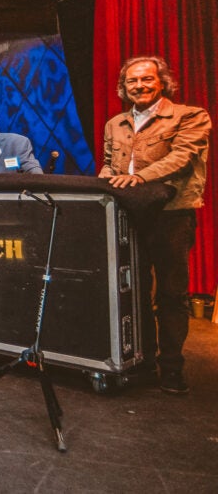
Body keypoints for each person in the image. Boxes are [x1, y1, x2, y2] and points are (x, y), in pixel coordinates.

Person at [99, 55, 211, 395]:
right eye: (132, 81)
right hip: (128, 215)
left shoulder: (190, 116)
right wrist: (103, 183)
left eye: (147, 79)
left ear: (162, 82)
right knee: (134, 294)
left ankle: (173, 368)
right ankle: (144, 362)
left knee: (171, 294)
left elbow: (181, 157)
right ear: (124, 87)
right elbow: (108, 163)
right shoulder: (115, 123)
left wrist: (138, 178)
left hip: (171, 216)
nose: (140, 86)